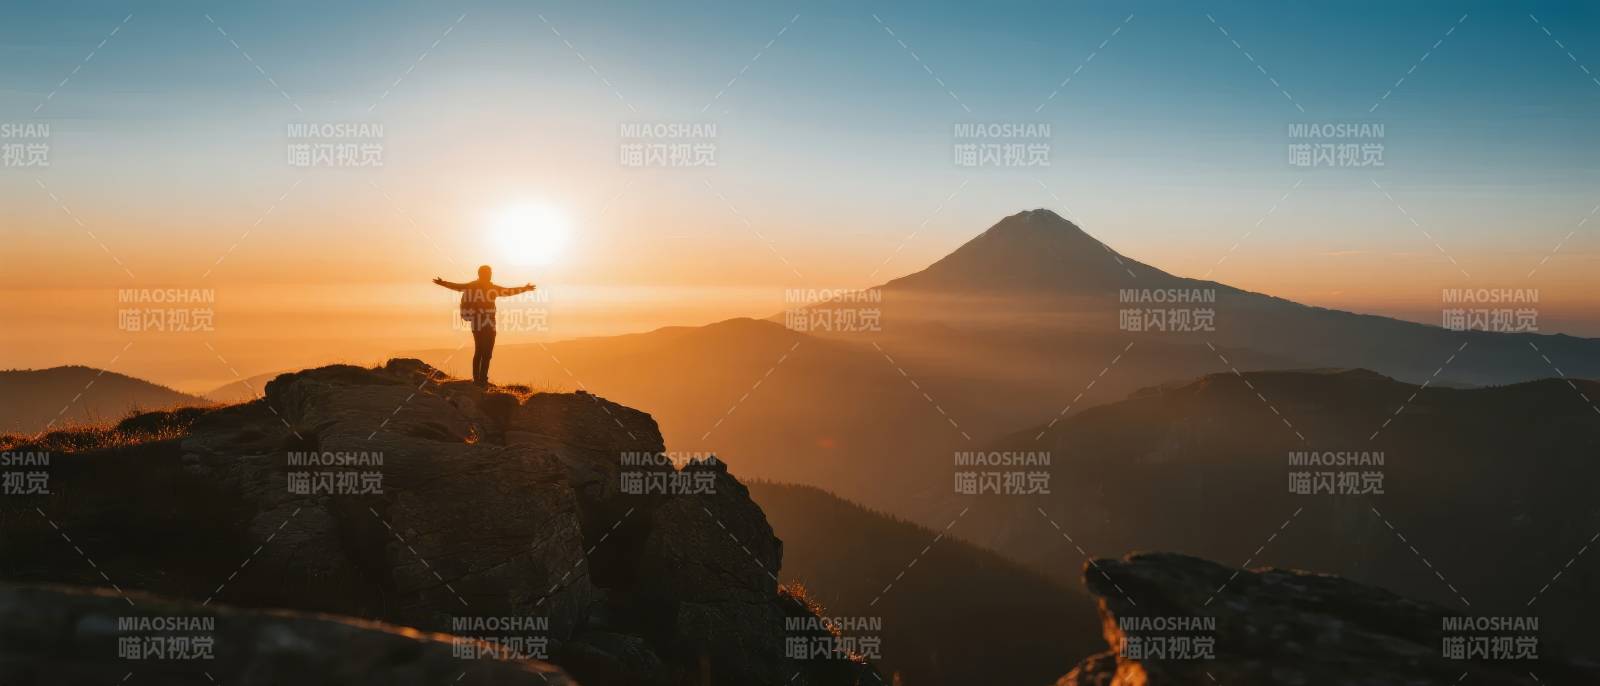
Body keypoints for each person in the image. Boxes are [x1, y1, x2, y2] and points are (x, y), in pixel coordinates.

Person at [432, 265, 536, 386]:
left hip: (480, 323)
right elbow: (509, 292)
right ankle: (481, 380)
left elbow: (457, 287)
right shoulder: (491, 288)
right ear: (482, 274)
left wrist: (443, 283)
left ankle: (479, 379)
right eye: (488, 273)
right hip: (487, 323)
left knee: (482, 351)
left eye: (490, 273)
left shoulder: (475, 286)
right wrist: (525, 289)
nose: (490, 275)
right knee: (484, 352)